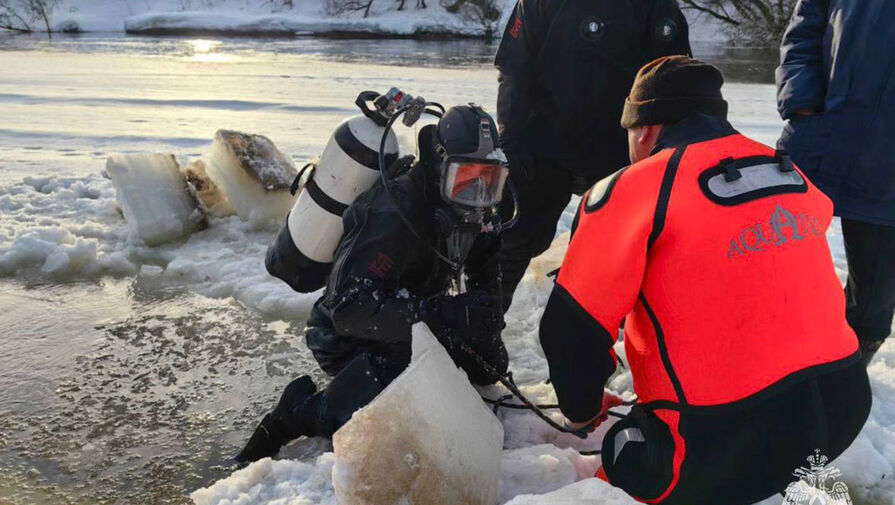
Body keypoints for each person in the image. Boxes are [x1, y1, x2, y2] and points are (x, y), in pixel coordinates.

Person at [539, 56, 871, 505]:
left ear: (645, 129)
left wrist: (582, 409)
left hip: (710, 446)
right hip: (844, 410)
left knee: (629, 456)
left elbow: (570, 332)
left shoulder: (632, 188)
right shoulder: (788, 172)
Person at [236, 105, 510, 463]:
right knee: (402, 385)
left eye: (489, 181)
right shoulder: (394, 214)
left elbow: (485, 275)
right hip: (346, 334)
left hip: (414, 316)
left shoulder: (472, 212)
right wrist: (447, 316)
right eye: (466, 178)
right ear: (442, 165)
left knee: (489, 366)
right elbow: (348, 308)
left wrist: (484, 321)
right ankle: (299, 412)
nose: (477, 193)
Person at [493, 0, 692, 310]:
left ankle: (612, 342)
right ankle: (480, 333)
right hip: (542, 144)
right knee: (511, 242)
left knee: (621, 256)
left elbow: (676, 81)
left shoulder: (657, 6)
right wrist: (510, 145)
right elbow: (514, 71)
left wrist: (671, 152)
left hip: (620, 153)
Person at [777, 0, 895, 367]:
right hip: (822, 136)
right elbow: (803, 33)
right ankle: (768, 354)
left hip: (885, 165)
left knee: (874, 290)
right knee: (771, 256)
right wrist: (802, 103)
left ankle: (846, 370)